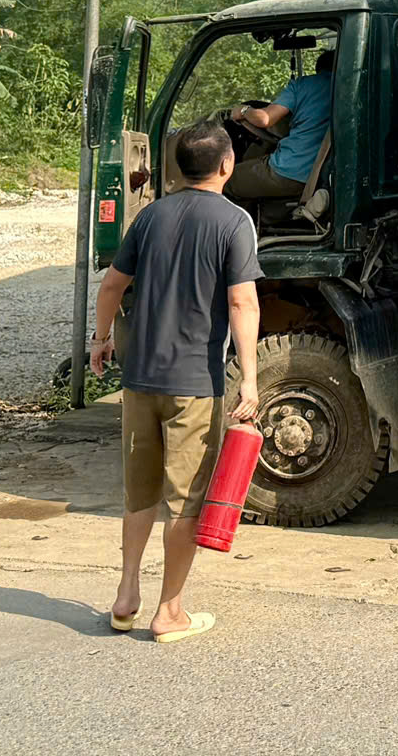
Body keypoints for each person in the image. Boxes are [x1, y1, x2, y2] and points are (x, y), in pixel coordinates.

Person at [90, 117, 262, 642]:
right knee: (184, 502)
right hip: (194, 386)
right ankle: (169, 612)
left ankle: (125, 598)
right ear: (227, 164)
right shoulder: (234, 222)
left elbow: (112, 286)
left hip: (139, 380)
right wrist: (250, 379)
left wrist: (101, 340)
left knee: (139, 495)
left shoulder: (149, 217)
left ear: (176, 167)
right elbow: (242, 301)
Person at [226, 48, 335, 204]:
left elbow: (265, 119)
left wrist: (243, 111)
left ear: (318, 70)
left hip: (289, 170)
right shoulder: (351, 89)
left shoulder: (303, 85)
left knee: (222, 179)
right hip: (323, 178)